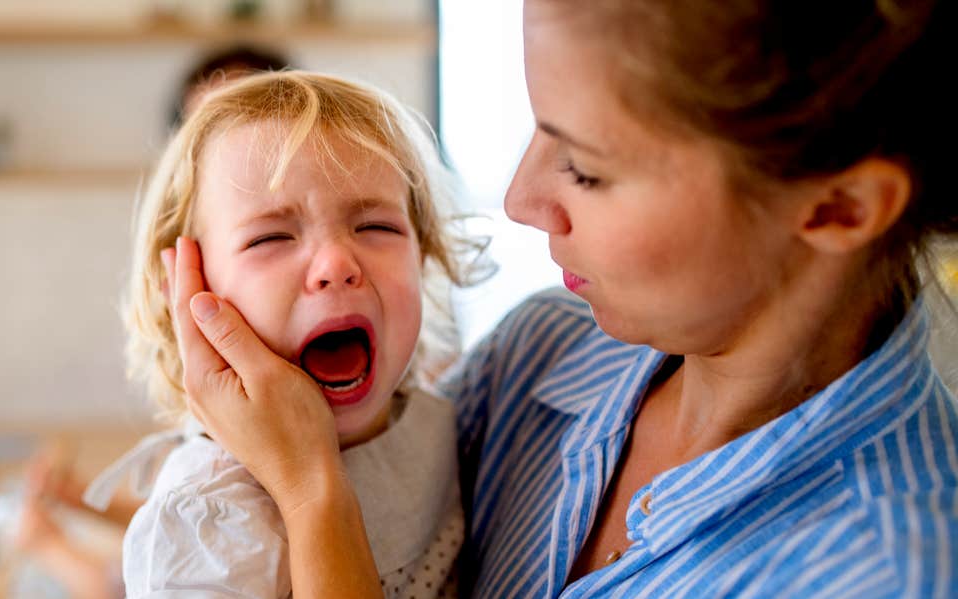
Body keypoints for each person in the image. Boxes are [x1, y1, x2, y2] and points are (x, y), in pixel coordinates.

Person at [164, 1, 958, 597]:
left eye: (585, 167)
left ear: (838, 207)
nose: (519, 196)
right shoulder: (540, 351)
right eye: (538, 130)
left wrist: (313, 493)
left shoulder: (885, 572)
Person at [107, 70, 484, 598]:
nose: (336, 263)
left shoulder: (440, 421)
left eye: (377, 227)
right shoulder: (209, 518)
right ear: (190, 290)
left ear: (422, 258)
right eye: (272, 237)